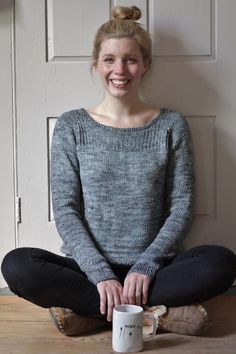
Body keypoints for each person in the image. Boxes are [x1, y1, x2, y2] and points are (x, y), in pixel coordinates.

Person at [1, 5, 236, 337]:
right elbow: (66, 209)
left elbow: (182, 205)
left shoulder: (171, 125)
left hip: (155, 270)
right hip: (87, 271)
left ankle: (94, 313)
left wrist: (146, 264)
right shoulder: (72, 126)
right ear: (95, 64)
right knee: (16, 265)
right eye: (109, 59)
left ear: (145, 65)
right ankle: (154, 315)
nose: (120, 69)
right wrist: (100, 273)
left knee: (221, 263)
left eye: (130, 59)